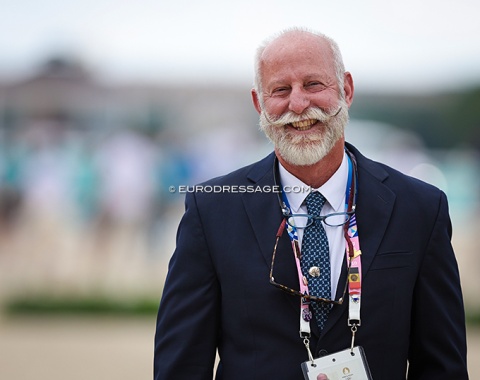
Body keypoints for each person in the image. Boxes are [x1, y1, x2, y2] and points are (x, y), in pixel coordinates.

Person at [154, 27, 469, 379]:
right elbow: (180, 366)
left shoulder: (421, 210)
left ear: (346, 90)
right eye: (280, 90)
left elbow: (443, 366)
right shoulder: (211, 210)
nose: (298, 104)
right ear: (259, 103)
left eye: (314, 85)